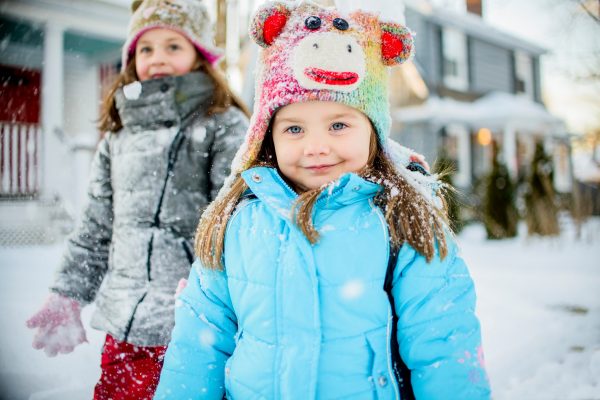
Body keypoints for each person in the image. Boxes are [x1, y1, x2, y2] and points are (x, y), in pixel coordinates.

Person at [154, 1, 491, 399]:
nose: (316, 147)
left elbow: (444, 345)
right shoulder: (238, 219)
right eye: (294, 128)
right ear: (268, 137)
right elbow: (197, 345)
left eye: (338, 124)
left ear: (373, 131)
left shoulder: (402, 218)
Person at [25, 0, 249, 398]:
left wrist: (212, 292)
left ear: (199, 58)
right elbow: (96, 226)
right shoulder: (118, 136)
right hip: (124, 325)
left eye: (173, 46)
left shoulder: (223, 125)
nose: (157, 58)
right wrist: (69, 292)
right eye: (146, 48)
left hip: (194, 321)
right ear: (131, 59)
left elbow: (232, 220)